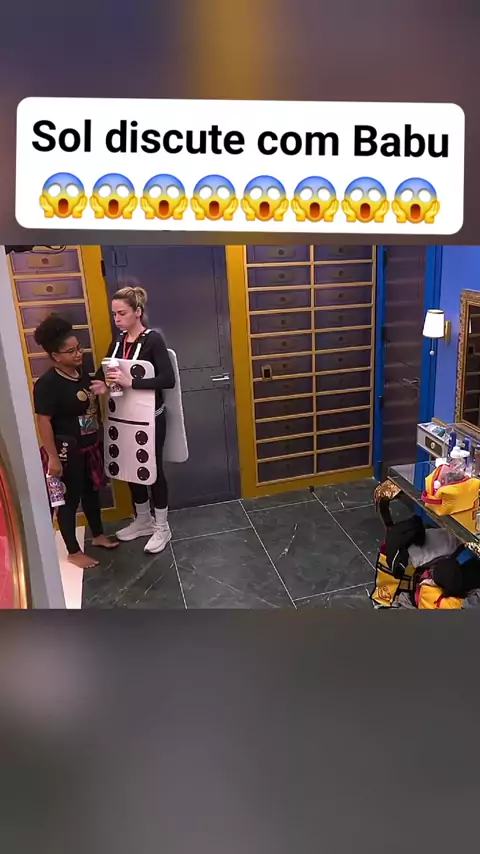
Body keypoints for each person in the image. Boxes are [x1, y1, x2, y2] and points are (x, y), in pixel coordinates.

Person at [91, 285, 175, 554]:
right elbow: (104, 372)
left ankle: (162, 526)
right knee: (130, 466)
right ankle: (143, 519)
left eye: (122, 313)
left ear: (138, 312)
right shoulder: (118, 342)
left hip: (151, 418)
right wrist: (102, 384)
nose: (117, 319)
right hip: (124, 418)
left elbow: (167, 379)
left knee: (153, 469)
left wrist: (132, 382)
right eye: (114, 314)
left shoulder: (153, 340)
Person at [33, 315, 119, 569]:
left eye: (79, 348)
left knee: (92, 492)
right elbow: (43, 422)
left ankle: (98, 535)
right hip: (66, 451)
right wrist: (53, 457)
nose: (78, 353)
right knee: (69, 500)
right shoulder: (48, 384)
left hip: (89, 447)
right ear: (55, 356)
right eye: (70, 351)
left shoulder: (81, 373)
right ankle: (73, 551)